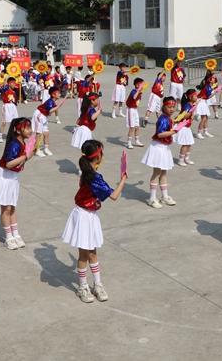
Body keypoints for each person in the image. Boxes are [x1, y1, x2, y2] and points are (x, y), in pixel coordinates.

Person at [62, 140, 127, 303]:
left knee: (92, 252)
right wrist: (123, 179)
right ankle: (83, 287)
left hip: (89, 215)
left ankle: (97, 284)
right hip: (84, 216)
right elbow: (113, 196)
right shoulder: (94, 177)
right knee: (84, 254)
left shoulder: (87, 171)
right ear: (97, 157)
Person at [0, 117, 35, 249]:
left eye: (30, 128)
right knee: (6, 208)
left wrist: (31, 152)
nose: (30, 130)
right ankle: (8, 237)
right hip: (5, 177)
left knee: (12, 206)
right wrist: (25, 156)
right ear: (18, 130)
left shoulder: (22, 142)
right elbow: (9, 163)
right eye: (27, 128)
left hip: (13, 178)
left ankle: (16, 234)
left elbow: (21, 161)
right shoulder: (14, 144)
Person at [142, 97, 176, 208]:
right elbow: (160, 134)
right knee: (157, 173)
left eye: (173, 107)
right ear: (163, 107)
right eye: (169, 107)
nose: (172, 109)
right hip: (158, 147)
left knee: (164, 173)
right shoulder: (162, 119)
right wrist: (173, 132)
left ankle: (164, 196)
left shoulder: (169, 118)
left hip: (165, 148)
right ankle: (152, 198)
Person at [31, 87, 61, 157]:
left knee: (46, 133)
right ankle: (37, 149)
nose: (59, 94)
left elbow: (50, 112)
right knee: (39, 133)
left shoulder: (53, 102)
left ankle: (46, 149)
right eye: (58, 93)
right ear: (53, 95)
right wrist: (59, 106)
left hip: (44, 117)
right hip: (39, 115)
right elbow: (50, 110)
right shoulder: (49, 101)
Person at [174, 89, 197, 167]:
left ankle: (187, 158)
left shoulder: (191, 105)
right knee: (185, 144)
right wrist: (191, 111)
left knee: (189, 143)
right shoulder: (187, 106)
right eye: (195, 96)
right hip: (183, 126)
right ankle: (181, 160)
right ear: (190, 97)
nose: (197, 97)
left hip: (187, 126)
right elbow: (185, 116)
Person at [0, 77, 20, 143]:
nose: (14, 85)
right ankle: (0, 136)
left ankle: (14, 136)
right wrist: (7, 78)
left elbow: (15, 101)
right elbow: (4, 85)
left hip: (13, 107)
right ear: (9, 83)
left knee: (15, 121)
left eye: (14, 83)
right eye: (13, 83)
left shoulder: (14, 92)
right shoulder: (6, 89)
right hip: (6, 106)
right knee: (4, 122)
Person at [195, 71, 216, 139]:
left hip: (203, 101)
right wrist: (215, 92)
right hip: (201, 101)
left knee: (206, 118)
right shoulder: (208, 87)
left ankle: (205, 131)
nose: (214, 79)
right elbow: (208, 97)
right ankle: (199, 132)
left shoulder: (208, 86)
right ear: (209, 80)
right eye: (212, 78)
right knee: (203, 118)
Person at [125, 78, 144, 149]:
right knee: (132, 127)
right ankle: (129, 143)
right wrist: (138, 91)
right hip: (130, 110)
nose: (142, 86)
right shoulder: (133, 91)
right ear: (136, 85)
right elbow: (134, 97)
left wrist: (140, 91)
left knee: (137, 127)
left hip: (135, 110)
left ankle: (137, 141)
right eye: (140, 84)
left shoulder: (139, 93)